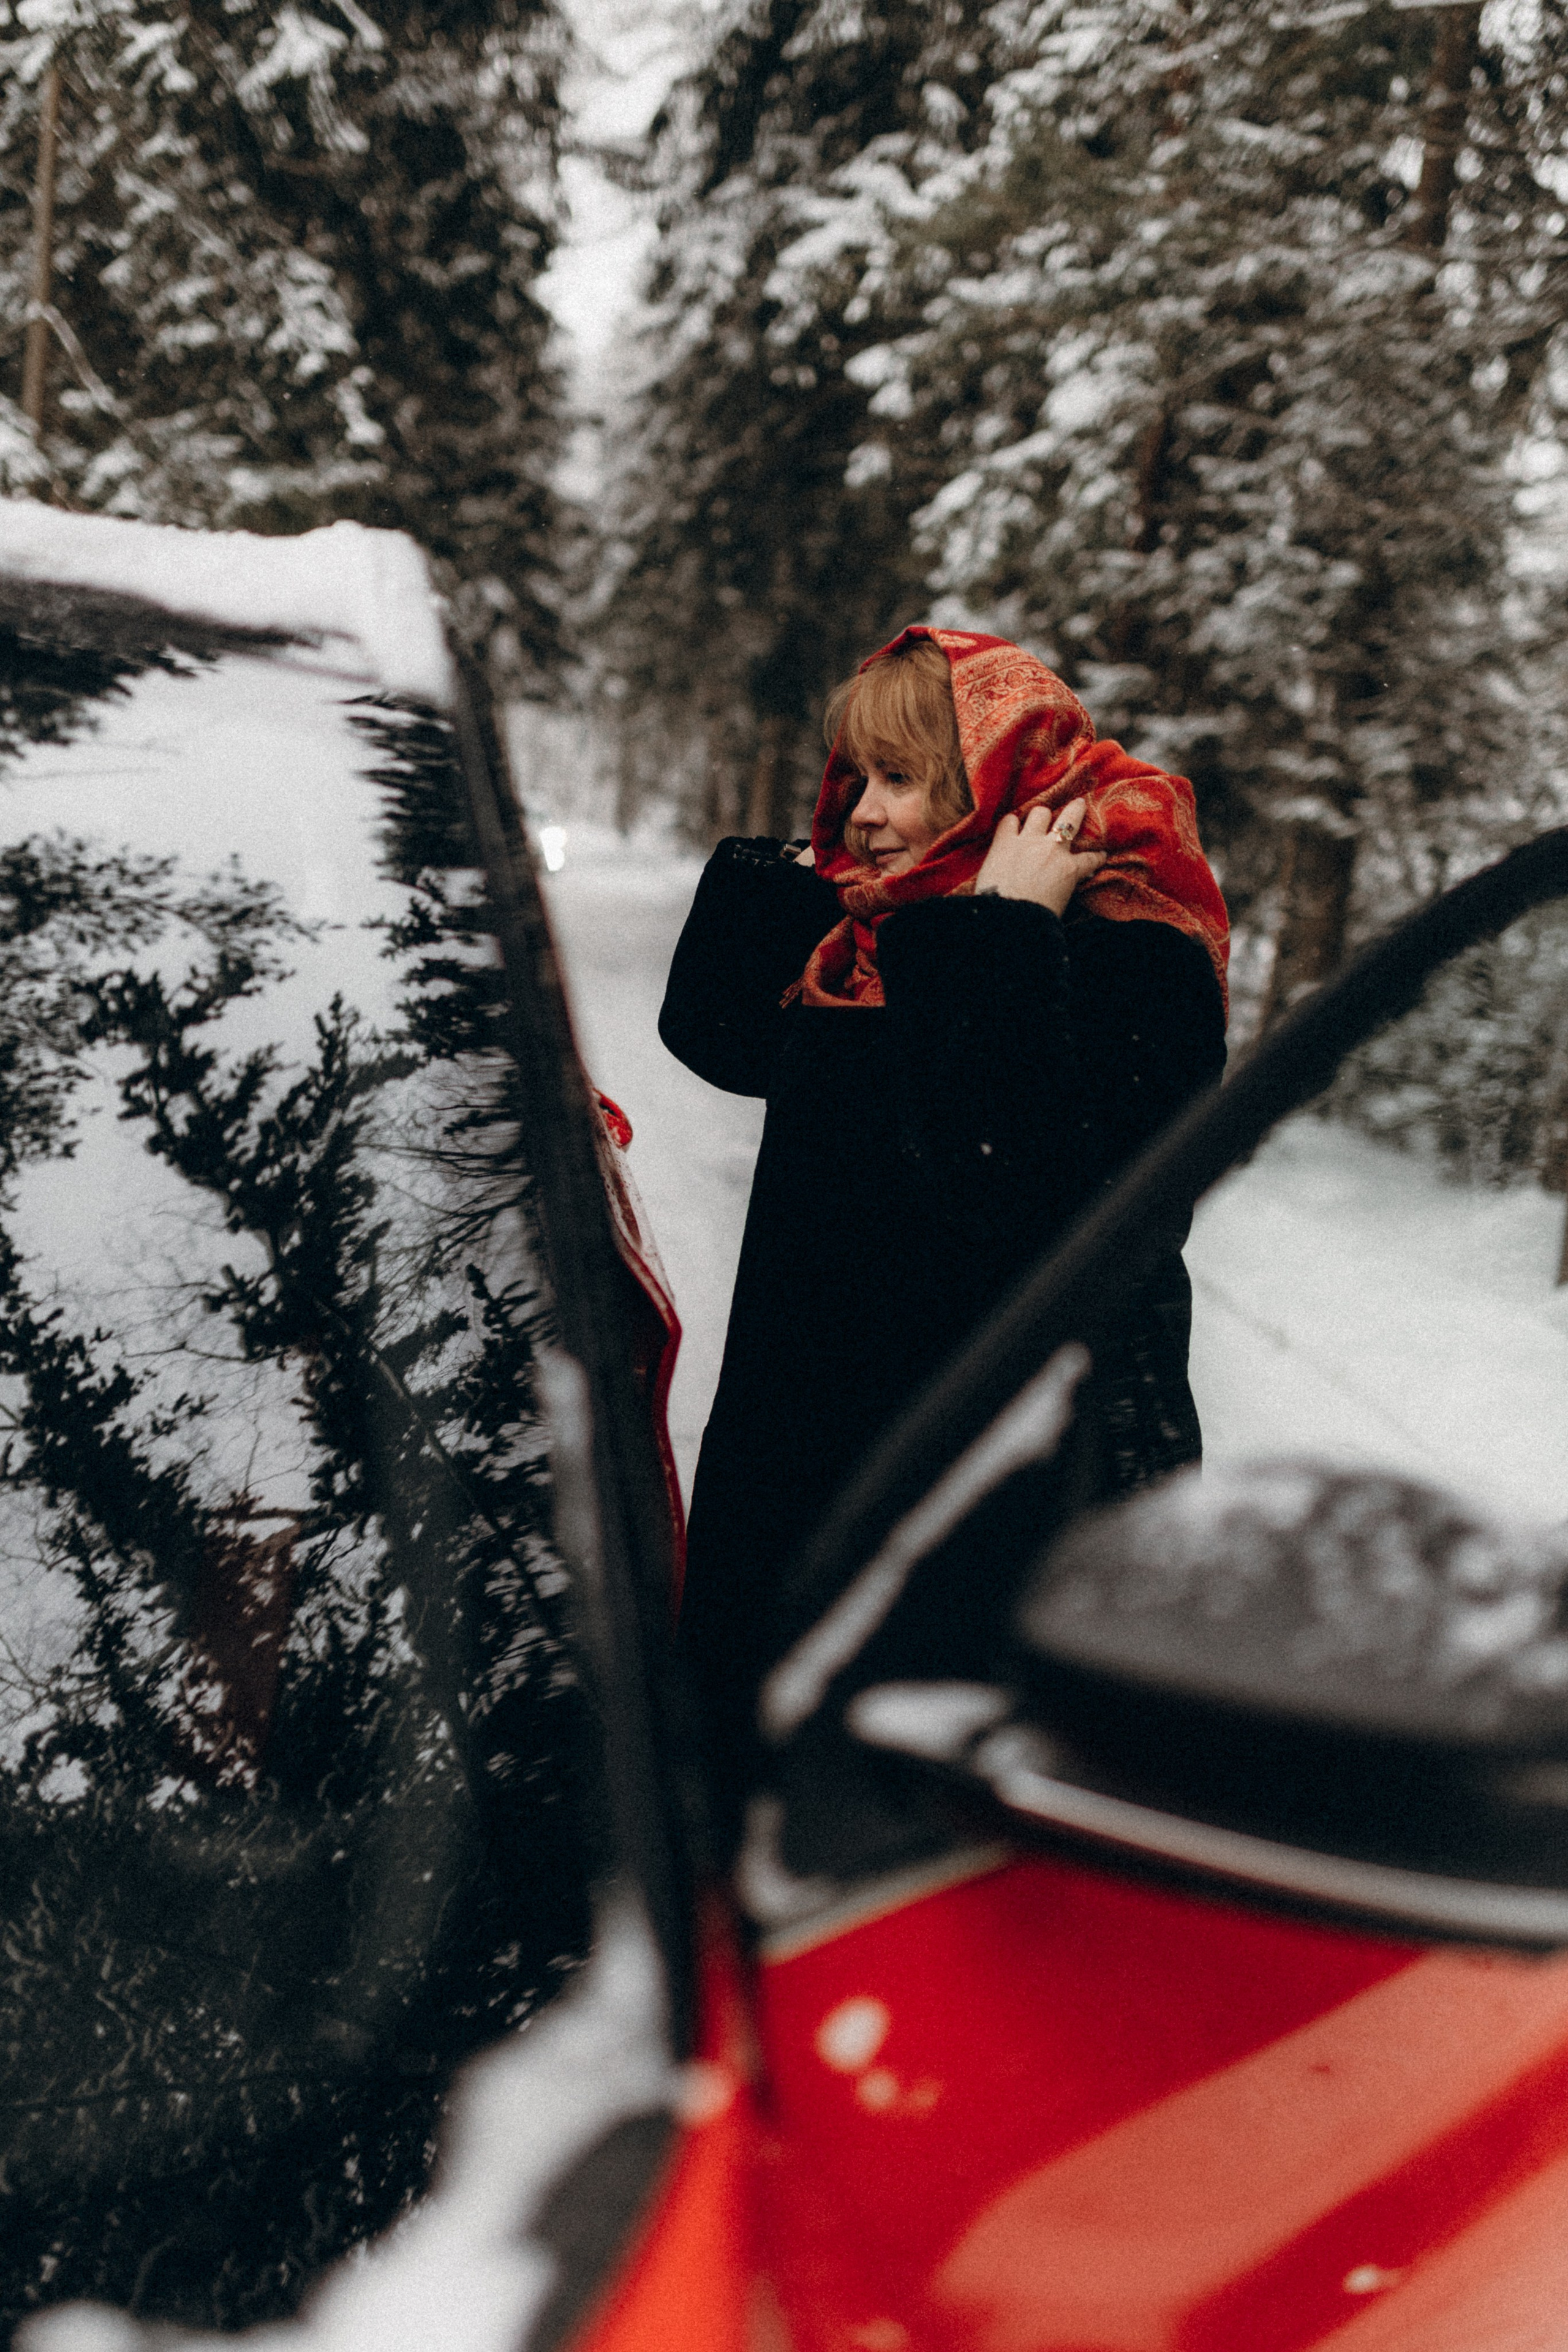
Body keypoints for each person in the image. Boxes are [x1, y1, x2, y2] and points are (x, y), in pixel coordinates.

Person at [658, 625, 1229, 1819]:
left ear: (1002, 782)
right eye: (848, 776)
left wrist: (1002, 938)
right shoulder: (872, 936)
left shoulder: (1128, 947)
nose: (859, 813)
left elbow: (1036, 1200)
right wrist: (834, 872)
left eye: (900, 778)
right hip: (796, 1468)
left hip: (985, 1501)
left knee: (916, 1857)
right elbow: (714, 1031)